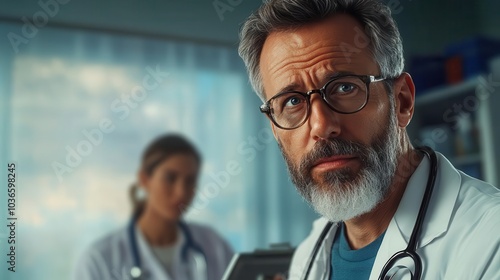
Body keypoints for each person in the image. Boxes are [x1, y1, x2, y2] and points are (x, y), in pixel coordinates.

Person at [238, 0, 500, 279]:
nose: (321, 126)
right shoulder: (309, 254)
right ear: (275, 128)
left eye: (344, 87)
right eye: (291, 101)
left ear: (402, 101)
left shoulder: (489, 240)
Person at [73, 134, 233, 280]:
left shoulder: (214, 246)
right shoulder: (100, 259)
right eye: (170, 178)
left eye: (190, 181)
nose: (181, 192)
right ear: (144, 179)